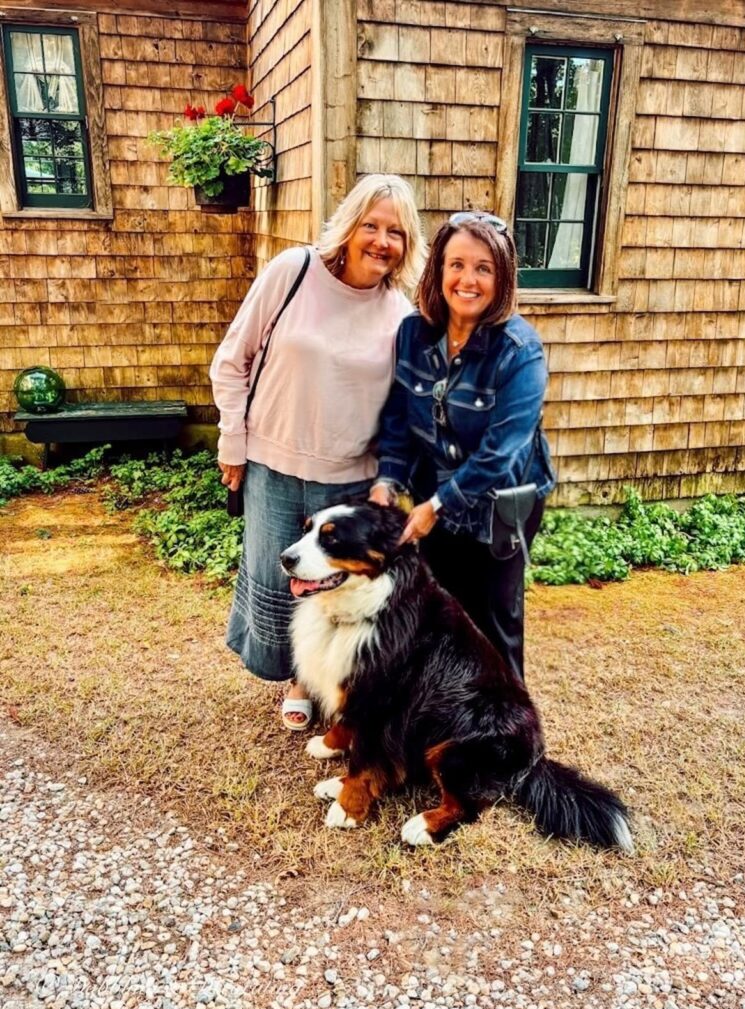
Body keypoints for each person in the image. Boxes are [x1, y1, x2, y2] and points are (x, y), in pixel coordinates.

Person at [210, 174, 425, 730]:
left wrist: (389, 483)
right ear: (349, 226)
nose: (382, 241)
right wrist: (233, 441)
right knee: (277, 577)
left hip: (350, 477)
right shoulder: (293, 272)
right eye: (372, 226)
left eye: (396, 232)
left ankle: (309, 683)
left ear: (407, 244)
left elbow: (400, 411)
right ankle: (289, 674)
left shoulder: (400, 316)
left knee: (326, 588)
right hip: (272, 463)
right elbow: (232, 360)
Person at [370, 212, 556, 681]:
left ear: (502, 277)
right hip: (435, 495)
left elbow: (502, 453)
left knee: (495, 623)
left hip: (499, 505)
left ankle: (509, 738)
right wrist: (388, 480)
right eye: (456, 265)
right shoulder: (414, 333)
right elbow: (398, 415)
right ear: (439, 271)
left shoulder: (520, 351)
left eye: (483, 268)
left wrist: (437, 506)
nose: (467, 280)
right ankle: (449, 715)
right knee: (443, 614)